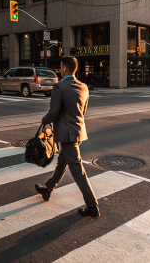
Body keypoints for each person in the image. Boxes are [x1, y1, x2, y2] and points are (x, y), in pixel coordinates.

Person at [35, 56, 99, 218]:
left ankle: (92, 206)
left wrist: (45, 120)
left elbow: (54, 113)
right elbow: (82, 112)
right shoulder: (84, 87)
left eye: (61, 66)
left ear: (65, 68)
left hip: (66, 134)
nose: (60, 69)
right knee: (62, 163)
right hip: (78, 131)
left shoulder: (60, 87)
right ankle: (48, 189)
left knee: (78, 171)